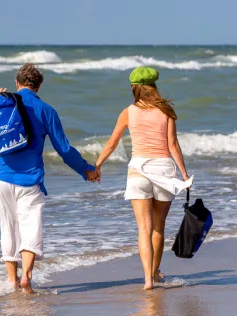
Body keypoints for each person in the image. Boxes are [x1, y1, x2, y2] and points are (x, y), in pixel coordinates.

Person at [0, 63, 99, 294]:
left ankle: (12, 281)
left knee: (8, 228)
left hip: (1, 179)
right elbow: (63, 150)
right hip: (30, 180)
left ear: (17, 82)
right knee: (30, 228)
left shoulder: (1, 103)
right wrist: (86, 170)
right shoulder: (46, 110)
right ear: (39, 85)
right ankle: (26, 277)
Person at [95, 66, 192, 290]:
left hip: (138, 171)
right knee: (158, 227)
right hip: (164, 172)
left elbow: (112, 143)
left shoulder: (128, 111)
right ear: (154, 86)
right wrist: (184, 174)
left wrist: (97, 166)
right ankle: (156, 273)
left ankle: (147, 279)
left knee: (143, 229)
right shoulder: (166, 111)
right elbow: (173, 145)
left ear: (135, 88)